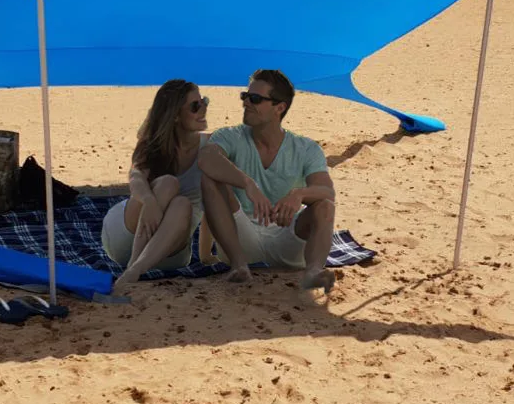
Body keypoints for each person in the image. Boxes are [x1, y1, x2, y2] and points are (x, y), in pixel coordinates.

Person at [197, 69, 337, 292]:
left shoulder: (306, 148)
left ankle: (312, 272)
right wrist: (248, 184)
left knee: (325, 206)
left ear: (279, 108)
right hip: (241, 237)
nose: (246, 103)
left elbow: (327, 192)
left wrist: (298, 194)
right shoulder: (230, 136)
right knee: (209, 179)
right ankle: (239, 266)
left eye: (255, 99)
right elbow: (206, 159)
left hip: (286, 238)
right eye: (245, 96)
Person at [101, 79, 210, 294]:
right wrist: (149, 200)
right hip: (126, 237)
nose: (204, 109)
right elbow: (136, 176)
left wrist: (206, 253)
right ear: (176, 115)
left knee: (182, 204)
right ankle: (134, 262)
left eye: (204, 101)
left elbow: (216, 199)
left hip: (170, 250)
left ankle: (135, 269)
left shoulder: (211, 148)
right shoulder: (154, 144)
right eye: (195, 106)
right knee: (169, 183)